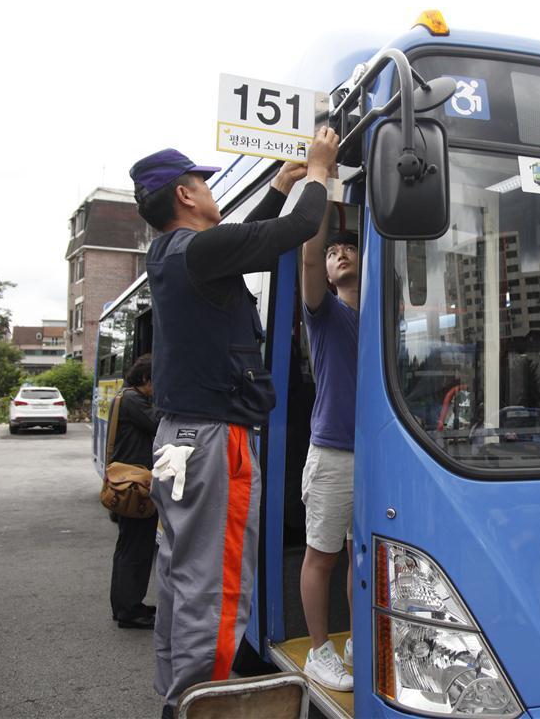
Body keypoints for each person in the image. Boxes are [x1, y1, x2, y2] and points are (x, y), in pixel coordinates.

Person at [129, 127, 339, 719]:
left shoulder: (170, 254)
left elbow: (242, 242)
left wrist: (277, 186)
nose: (209, 189)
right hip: (215, 441)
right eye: (203, 181)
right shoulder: (196, 250)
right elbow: (294, 232)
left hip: (180, 440)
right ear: (186, 195)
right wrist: (319, 171)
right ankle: (202, 710)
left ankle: (178, 701)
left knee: (179, 580)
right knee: (214, 591)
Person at [299, 200, 359, 692]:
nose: (338, 254)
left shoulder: (385, 322)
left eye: (349, 249)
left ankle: (360, 637)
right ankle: (319, 653)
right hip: (334, 452)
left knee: (362, 553)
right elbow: (308, 258)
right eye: (333, 250)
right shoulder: (324, 314)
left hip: (381, 453)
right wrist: (320, 193)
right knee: (323, 555)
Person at [109, 353, 160, 629]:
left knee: (127, 548)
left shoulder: (125, 396)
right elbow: (158, 422)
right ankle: (129, 611)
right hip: (135, 487)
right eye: (156, 380)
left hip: (128, 484)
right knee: (136, 551)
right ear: (144, 379)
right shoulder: (133, 400)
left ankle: (125, 605)